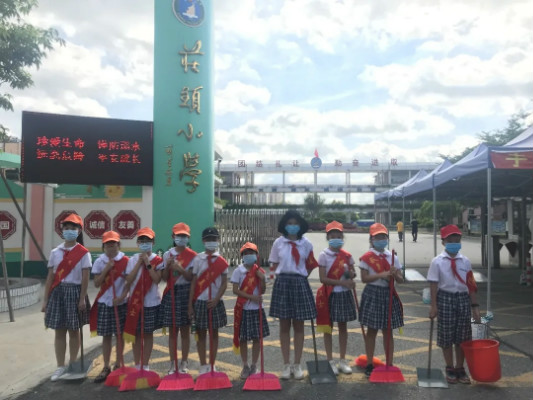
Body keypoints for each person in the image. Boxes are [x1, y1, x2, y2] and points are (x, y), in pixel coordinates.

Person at [268, 209, 318, 380]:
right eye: (289, 223)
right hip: (282, 283)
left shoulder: (306, 244)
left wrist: (302, 277)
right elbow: (273, 264)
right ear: (284, 225)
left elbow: (310, 264)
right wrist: (272, 280)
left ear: (301, 225)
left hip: (299, 283)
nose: (292, 226)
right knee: (284, 326)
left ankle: (297, 364)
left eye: (296, 223)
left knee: (299, 326)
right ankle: (286, 364)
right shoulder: (278, 243)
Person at [428, 224, 480, 384]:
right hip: (445, 298)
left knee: (463, 336)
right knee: (446, 335)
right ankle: (449, 367)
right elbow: (433, 284)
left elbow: (470, 284)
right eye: (450, 240)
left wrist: (475, 307)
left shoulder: (465, 261)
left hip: (463, 299)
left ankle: (460, 367)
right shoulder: (437, 262)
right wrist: (433, 306)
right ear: (443, 242)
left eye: (457, 239)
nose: (454, 242)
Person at [42, 213, 92, 381]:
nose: (69, 231)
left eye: (73, 228)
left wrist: (82, 298)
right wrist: (45, 300)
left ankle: (72, 363)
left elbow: (85, 278)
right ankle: (60, 366)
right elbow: (50, 277)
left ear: (79, 231)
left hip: (75, 293)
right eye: (66, 228)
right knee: (59, 331)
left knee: (74, 331)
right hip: (58, 293)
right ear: (62, 230)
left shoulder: (83, 253)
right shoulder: (55, 252)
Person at [359, 223, 404, 377]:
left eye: (383, 236)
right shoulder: (367, 257)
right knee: (371, 330)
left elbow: (401, 280)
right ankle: (369, 363)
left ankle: (389, 363)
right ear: (371, 239)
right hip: (373, 293)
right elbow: (364, 278)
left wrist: (395, 274)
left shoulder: (393, 257)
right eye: (377, 237)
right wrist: (381, 275)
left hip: (388, 294)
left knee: (388, 331)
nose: (381, 239)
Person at [316, 221, 357, 375]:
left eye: (338, 236)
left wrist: (351, 275)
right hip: (330, 295)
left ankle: (342, 360)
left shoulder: (347, 256)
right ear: (328, 237)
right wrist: (342, 282)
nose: (336, 239)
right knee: (328, 328)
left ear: (342, 237)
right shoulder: (323, 255)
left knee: (343, 327)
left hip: (344, 294)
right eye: (332, 236)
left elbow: (353, 273)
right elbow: (323, 279)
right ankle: (330, 361)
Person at [89, 230, 129, 383]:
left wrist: (122, 297)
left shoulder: (125, 261)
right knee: (106, 335)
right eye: (108, 244)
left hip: (120, 303)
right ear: (103, 246)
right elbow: (96, 283)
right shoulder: (100, 261)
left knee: (120, 335)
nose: (111, 246)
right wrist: (107, 268)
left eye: (114, 243)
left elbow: (128, 283)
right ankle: (106, 366)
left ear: (119, 244)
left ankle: (118, 364)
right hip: (105, 302)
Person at [188, 227, 228, 375]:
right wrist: (190, 304)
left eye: (214, 239)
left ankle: (212, 364)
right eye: (208, 239)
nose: (211, 241)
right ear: (203, 241)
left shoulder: (221, 261)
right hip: (200, 300)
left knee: (214, 334)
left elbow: (224, 283)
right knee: (201, 334)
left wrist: (216, 299)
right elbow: (194, 282)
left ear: (218, 240)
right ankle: (203, 364)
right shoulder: (198, 259)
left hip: (215, 301)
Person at [123, 227, 164, 371]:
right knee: (136, 334)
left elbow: (157, 279)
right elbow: (128, 280)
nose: (145, 243)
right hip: (135, 303)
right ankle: (137, 364)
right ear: (138, 243)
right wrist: (138, 264)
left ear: (153, 243)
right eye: (142, 241)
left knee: (147, 334)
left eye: (148, 241)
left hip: (151, 303)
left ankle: (145, 365)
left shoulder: (158, 260)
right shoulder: (132, 259)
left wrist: (147, 263)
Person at [159, 222, 197, 374]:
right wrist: (168, 267)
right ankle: (172, 363)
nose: (181, 238)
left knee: (185, 330)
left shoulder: (192, 256)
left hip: (186, 293)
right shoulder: (167, 254)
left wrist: (180, 269)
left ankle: (184, 362)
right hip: (171, 292)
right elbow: (163, 278)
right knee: (173, 331)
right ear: (173, 237)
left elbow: (191, 278)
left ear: (188, 238)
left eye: (184, 236)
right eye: (178, 235)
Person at [231, 242, 269, 379]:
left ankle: (254, 365)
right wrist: (251, 297)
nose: (249, 255)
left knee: (256, 338)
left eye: (251, 253)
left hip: (257, 309)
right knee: (243, 338)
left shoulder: (259, 271)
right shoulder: (238, 271)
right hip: (244, 308)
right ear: (242, 256)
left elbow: (262, 290)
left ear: (256, 255)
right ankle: (245, 365)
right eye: (246, 253)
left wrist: (262, 279)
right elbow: (235, 290)